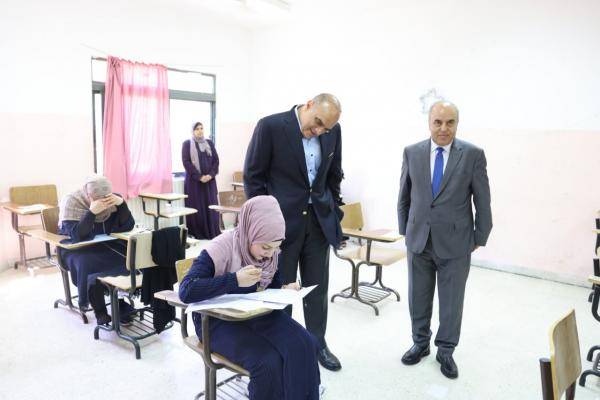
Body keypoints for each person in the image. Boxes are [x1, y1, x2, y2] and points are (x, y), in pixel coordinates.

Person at [178, 195, 321, 400]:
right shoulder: (221, 248)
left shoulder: (271, 253)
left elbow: (271, 286)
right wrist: (234, 279)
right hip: (214, 320)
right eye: (265, 247)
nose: (270, 254)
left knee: (306, 343)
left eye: (276, 247)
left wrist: (284, 290)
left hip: (253, 312)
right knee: (267, 362)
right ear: (250, 232)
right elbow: (187, 290)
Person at [243, 93, 345, 371]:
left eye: (325, 128)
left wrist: (334, 209)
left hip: (318, 222)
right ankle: (282, 347)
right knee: (281, 290)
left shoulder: (333, 131)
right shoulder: (270, 126)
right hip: (280, 225)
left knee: (317, 289)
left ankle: (317, 344)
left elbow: (334, 174)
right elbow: (253, 177)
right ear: (309, 104)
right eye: (317, 123)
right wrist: (264, 222)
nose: (319, 131)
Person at [397, 101, 493, 379]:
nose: (443, 128)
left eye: (450, 122)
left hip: (456, 242)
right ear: (429, 122)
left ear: (457, 124)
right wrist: (405, 229)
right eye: (438, 122)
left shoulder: (472, 155)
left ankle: (446, 350)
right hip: (419, 239)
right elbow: (404, 194)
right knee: (418, 296)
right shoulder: (412, 152)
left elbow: (482, 200)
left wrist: (480, 236)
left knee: (451, 301)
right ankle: (420, 343)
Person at [58, 175, 136, 325]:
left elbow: (128, 226)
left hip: (106, 244)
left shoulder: (112, 199)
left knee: (126, 257)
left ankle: (119, 302)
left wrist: (121, 204)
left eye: (106, 197)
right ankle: (100, 310)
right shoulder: (72, 201)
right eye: (97, 198)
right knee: (86, 262)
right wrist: (91, 213)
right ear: (88, 195)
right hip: (76, 248)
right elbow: (76, 235)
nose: (104, 202)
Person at [182, 121, 220, 239]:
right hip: (194, 183)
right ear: (192, 131)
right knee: (197, 207)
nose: (200, 131)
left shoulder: (209, 143)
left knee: (211, 206)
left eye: (201, 128)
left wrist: (210, 175)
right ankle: (198, 233)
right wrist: (199, 177)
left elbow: (216, 161)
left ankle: (211, 231)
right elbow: (186, 162)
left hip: (209, 182)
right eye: (197, 129)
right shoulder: (187, 144)